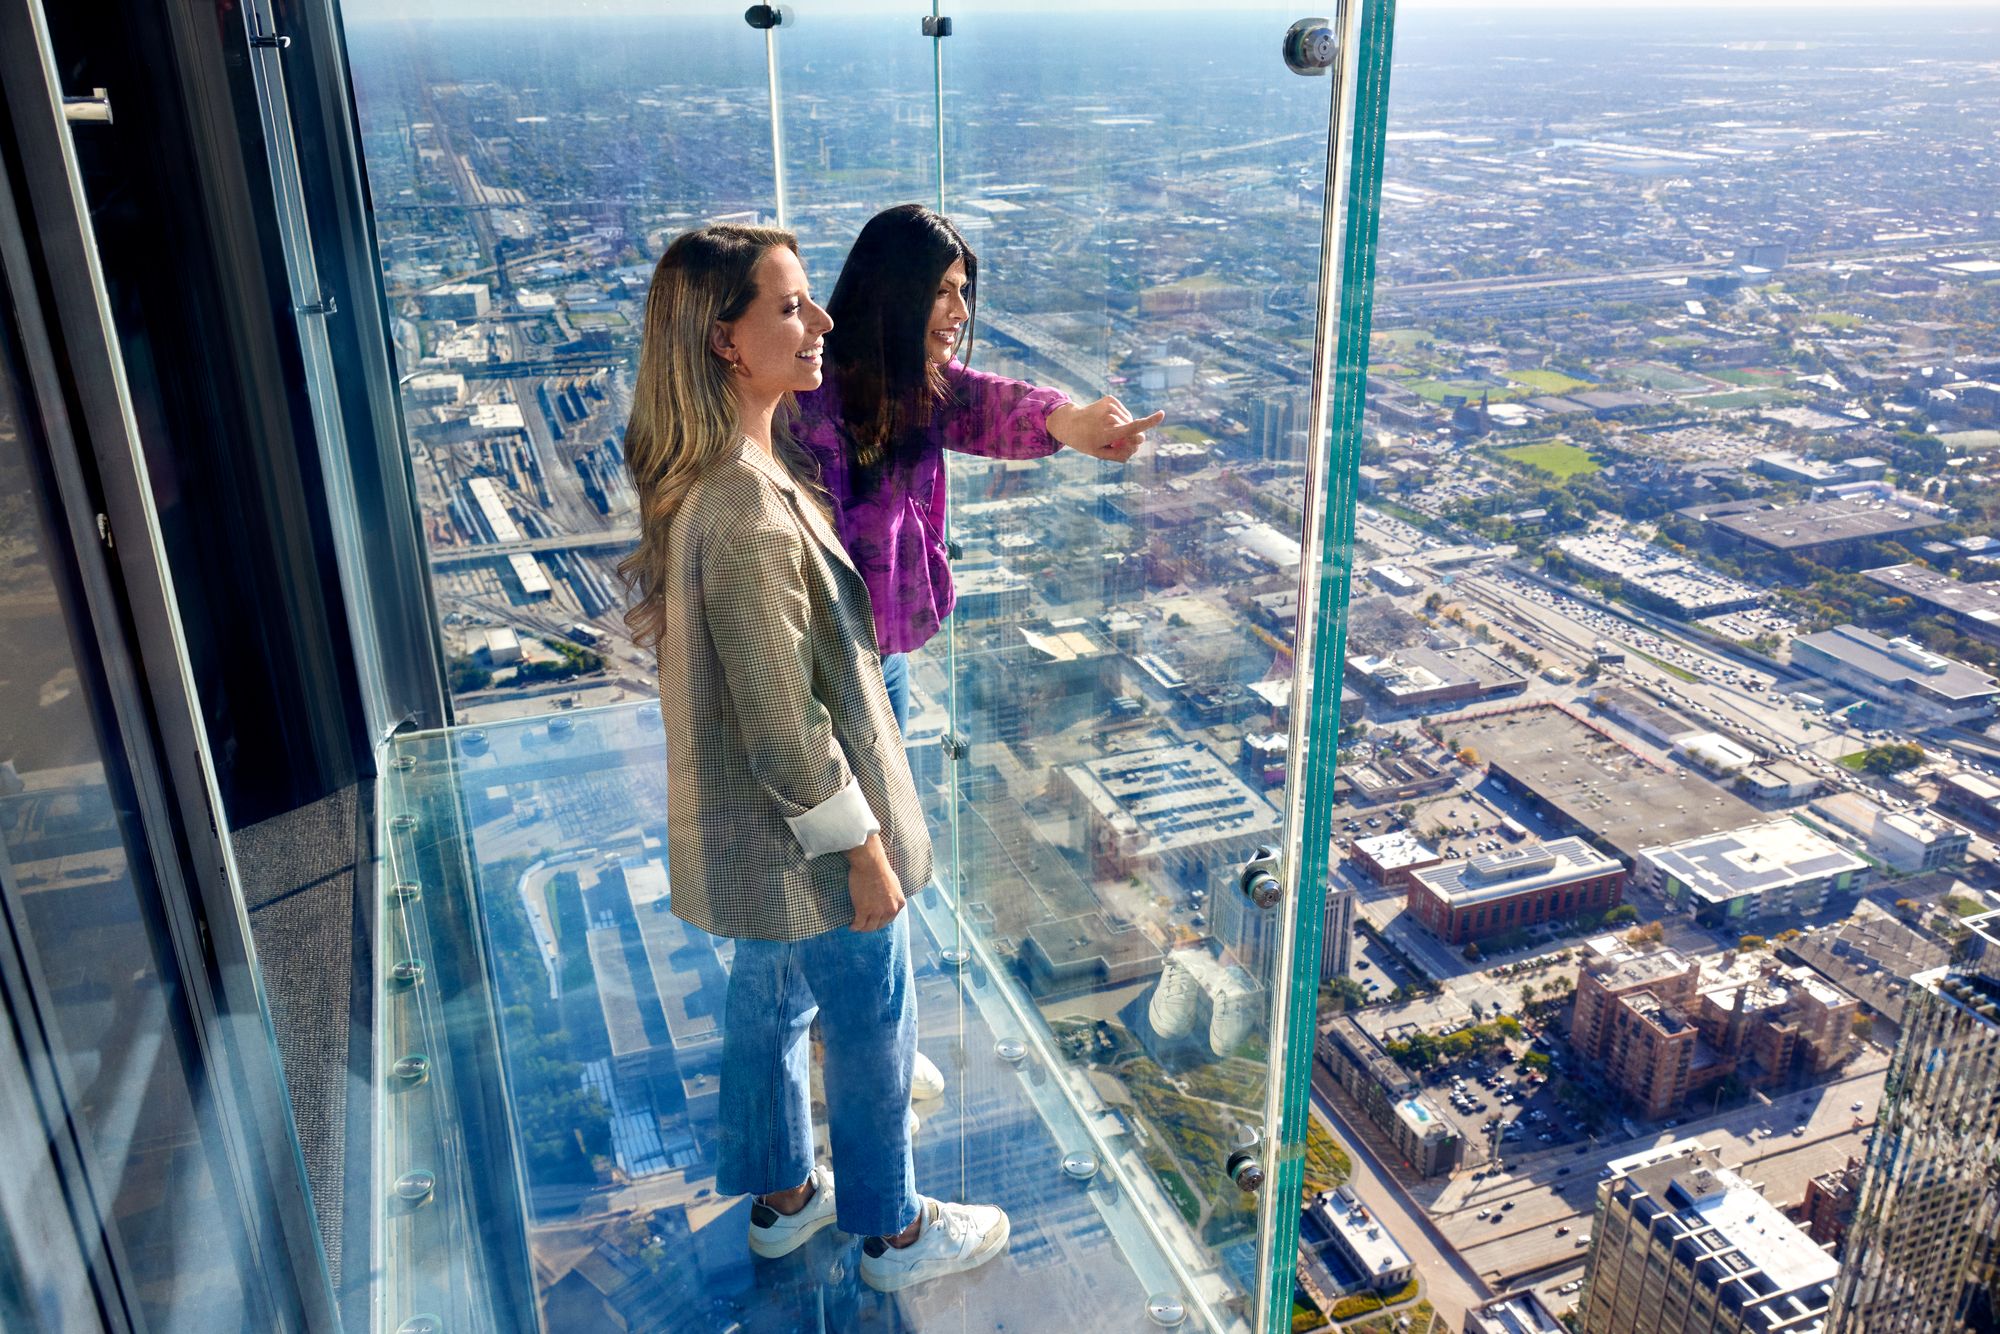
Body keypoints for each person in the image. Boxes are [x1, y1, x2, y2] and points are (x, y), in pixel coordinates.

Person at [619, 224, 1009, 1292]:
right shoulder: (746, 503)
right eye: (791, 306)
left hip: (757, 830)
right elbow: (785, 722)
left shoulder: (722, 471)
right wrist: (861, 850)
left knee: (774, 988)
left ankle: (786, 1194)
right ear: (725, 341)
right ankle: (893, 1231)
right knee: (873, 1007)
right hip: (810, 828)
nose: (822, 320)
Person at [794, 203, 1164, 731]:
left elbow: (987, 402)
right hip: (814, 667)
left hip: (883, 655)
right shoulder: (803, 393)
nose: (961, 312)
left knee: (892, 785)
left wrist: (1068, 421)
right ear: (892, 291)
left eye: (963, 291)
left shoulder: (917, 383)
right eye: (942, 291)